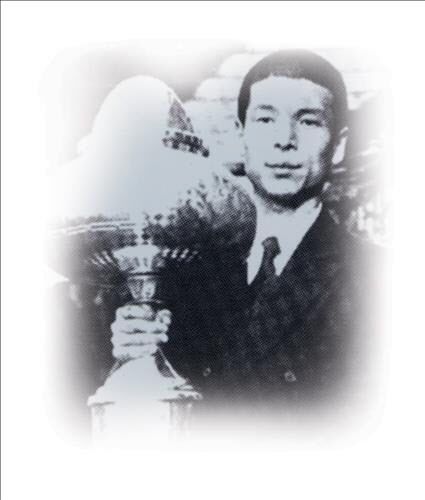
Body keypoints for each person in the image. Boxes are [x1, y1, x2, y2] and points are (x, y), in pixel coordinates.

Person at [102, 51, 384, 419]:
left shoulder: (377, 278)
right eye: (265, 119)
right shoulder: (182, 272)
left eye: (308, 121)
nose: (284, 140)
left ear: (340, 144)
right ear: (241, 134)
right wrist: (131, 355)